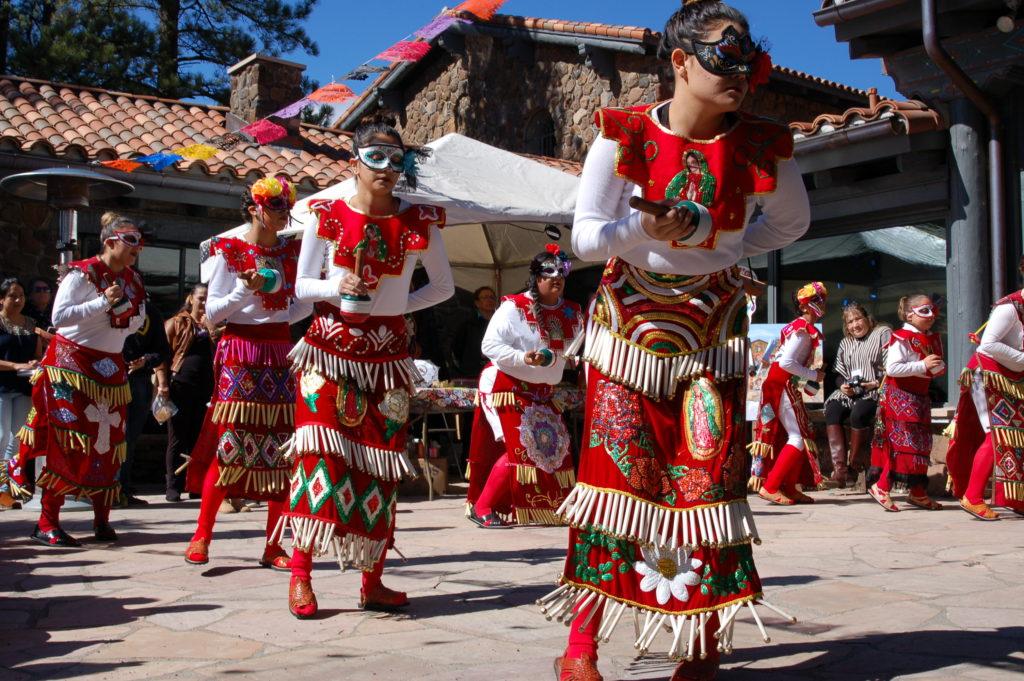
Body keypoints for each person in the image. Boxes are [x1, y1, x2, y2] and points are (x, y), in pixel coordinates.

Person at [539, 2, 810, 679]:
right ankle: (582, 642)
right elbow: (585, 237)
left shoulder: (761, 144)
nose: (741, 73)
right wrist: (643, 235)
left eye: (747, 59)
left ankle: (701, 640)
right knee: (613, 477)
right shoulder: (624, 135)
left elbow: (792, 222)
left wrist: (731, 251)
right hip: (627, 329)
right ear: (681, 62)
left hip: (711, 331)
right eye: (724, 57)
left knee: (708, 478)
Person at [275, 113, 454, 619]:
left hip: (388, 361)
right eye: (375, 157)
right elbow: (300, 286)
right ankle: (301, 574)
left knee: (380, 466)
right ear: (354, 163)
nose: (387, 167)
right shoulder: (323, 214)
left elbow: (441, 288)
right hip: (326, 355)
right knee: (319, 461)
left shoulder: (421, 221)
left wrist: (392, 310)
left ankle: (371, 581)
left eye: (397, 159)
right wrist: (338, 288)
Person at [183, 175, 310, 569]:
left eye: (287, 206)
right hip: (239, 349)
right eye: (276, 206)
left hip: (278, 349)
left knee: (282, 450)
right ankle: (202, 534)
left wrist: (285, 315)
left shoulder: (293, 253)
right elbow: (213, 314)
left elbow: (302, 302)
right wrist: (246, 291)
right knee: (231, 445)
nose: (283, 213)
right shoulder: (228, 249)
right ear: (255, 207)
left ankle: (273, 545)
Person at [7, 213, 146, 546]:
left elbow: (139, 317)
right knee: (67, 442)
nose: (136, 250)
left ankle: (101, 520)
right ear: (110, 241)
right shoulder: (82, 274)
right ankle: (47, 521)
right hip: (71, 367)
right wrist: (103, 303)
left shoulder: (134, 279)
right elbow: (60, 317)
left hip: (110, 370)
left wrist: (126, 318)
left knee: (108, 445)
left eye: (139, 244)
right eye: (131, 242)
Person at [466, 246, 583, 528]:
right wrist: (523, 357)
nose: (556, 278)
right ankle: (482, 508)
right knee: (521, 448)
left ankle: (548, 508)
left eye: (561, 273)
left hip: (543, 393)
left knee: (555, 448)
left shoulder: (572, 312)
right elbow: (489, 345)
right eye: (548, 272)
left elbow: (573, 351)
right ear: (535, 277)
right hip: (506, 385)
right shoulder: (514, 307)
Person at [946, 285, 1024, 520]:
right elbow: (988, 344)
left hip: (1012, 379)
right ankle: (973, 497)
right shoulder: (1009, 307)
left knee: (1015, 436)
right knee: (997, 434)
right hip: (988, 376)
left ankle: (1014, 498)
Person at [749, 283, 827, 505]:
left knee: (792, 435)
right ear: (805, 307)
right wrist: (813, 375)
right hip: (781, 383)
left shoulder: (799, 327)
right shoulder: (802, 329)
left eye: (821, 299)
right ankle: (771, 486)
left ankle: (789, 487)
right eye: (818, 300)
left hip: (780, 383)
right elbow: (787, 362)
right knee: (797, 437)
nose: (822, 304)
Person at [867, 294, 945, 512]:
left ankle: (918, 492)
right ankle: (881, 487)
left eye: (932, 311)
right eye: (924, 312)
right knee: (900, 446)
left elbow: (929, 367)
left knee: (921, 446)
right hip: (899, 399)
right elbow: (892, 369)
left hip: (919, 398)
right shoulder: (901, 337)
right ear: (910, 315)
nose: (931, 316)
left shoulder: (930, 337)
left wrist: (936, 367)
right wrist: (923, 365)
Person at [822, 303, 891, 489]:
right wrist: (842, 386)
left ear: (867, 318)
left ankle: (854, 467)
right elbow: (838, 374)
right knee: (832, 410)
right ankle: (841, 472)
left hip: (876, 389)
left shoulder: (882, 333)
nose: (855, 325)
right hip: (851, 392)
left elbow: (892, 367)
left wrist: (874, 383)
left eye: (858, 319)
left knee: (858, 414)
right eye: (850, 322)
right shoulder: (846, 342)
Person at [164, 283, 215, 502]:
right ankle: (173, 486)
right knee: (177, 437)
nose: (204, 303)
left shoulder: (214, 324)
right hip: (180, 385)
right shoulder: (178, 322)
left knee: (198, 437)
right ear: (191, 299)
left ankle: (195, 484)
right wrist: (162, 386)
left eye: (208, 299)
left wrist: (211, 329)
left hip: (205, 387)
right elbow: (163, 354)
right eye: (201, 298)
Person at [120, 293, 170, 506]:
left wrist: (145, 361)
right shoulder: (106, 307)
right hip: (106, 377)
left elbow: (162, 350)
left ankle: (122, 489)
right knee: (104, 433)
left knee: (129, 436)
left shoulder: (150, 312)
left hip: (137, 380)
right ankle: (100, 490)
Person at [0, 278, 42, 510]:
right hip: (2, 388)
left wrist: (32, 363)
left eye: (21, 296)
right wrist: (14, 366)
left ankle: (6, 489)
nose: (17, 301)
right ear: (1, 299)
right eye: (12, 296)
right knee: (1, 435)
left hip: (23, 388)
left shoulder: (30, 324)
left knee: (16, 440)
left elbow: (35, 354)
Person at [452, 286, 498, 379]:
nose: (489, 300)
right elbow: (457, 349)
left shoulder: (502, 322)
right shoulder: (467, 324)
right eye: (485, 297)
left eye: (492, 297)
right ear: (477, 303)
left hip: (496, 371)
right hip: (472, 373)